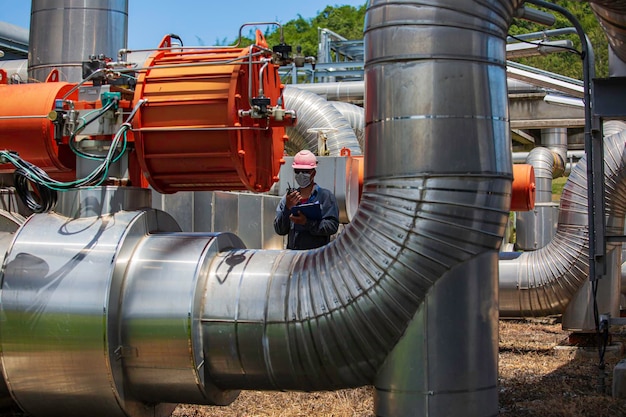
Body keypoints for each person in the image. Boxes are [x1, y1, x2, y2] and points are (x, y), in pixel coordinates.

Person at [274, 150, 339, 250]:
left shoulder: (325, 197)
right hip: (294, 258)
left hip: (316, 259)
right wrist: (287, 208)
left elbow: (332, 226)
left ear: (313, 173)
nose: (301, 175)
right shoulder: (287, 199)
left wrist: (307, 223)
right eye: (297, 171)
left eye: (305, 172)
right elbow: (280, 230)